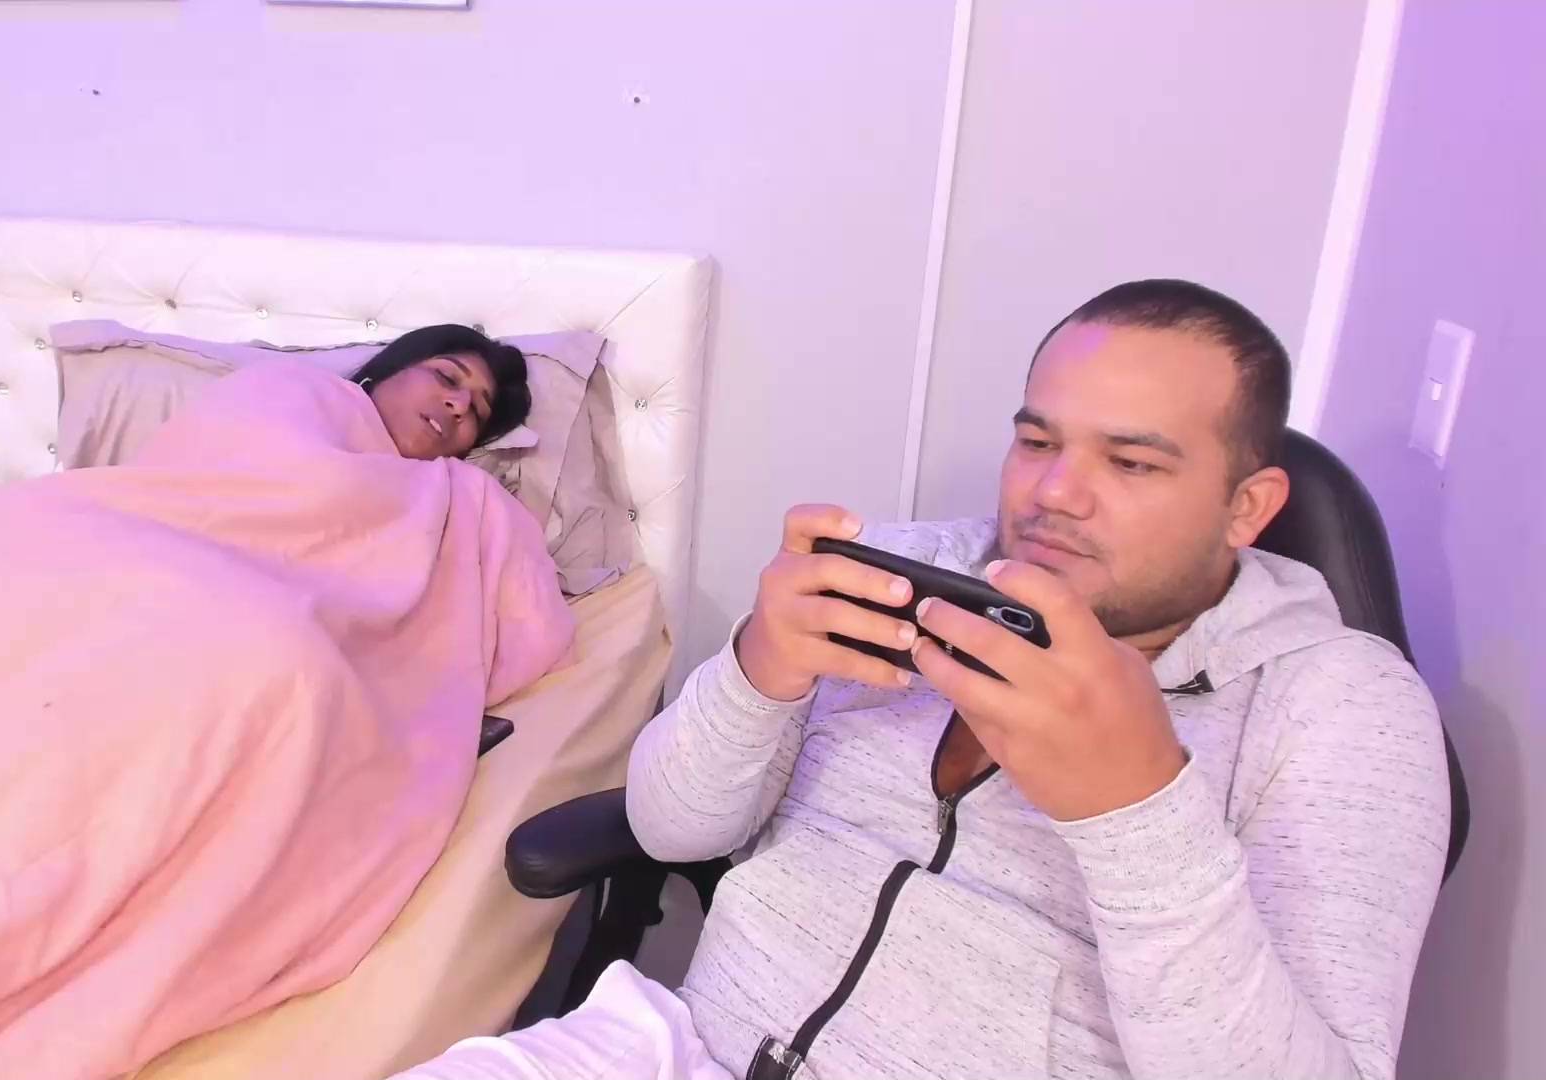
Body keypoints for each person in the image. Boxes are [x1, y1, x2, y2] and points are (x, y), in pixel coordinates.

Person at [396, 280, 1451, 1080]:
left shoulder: (1341, 709)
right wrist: (760, 672)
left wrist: (1136, 808)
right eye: (1036, 440)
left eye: (1131, 463)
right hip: (683, 1045)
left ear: (1247, 507)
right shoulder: (902, 573)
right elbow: (671, 830)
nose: (1055, 493)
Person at [349, 324, 532, 460]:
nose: (461, 406)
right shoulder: (329, 401)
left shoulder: (470, 493)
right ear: (391, 367)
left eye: (476, 411)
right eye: (447, 377)